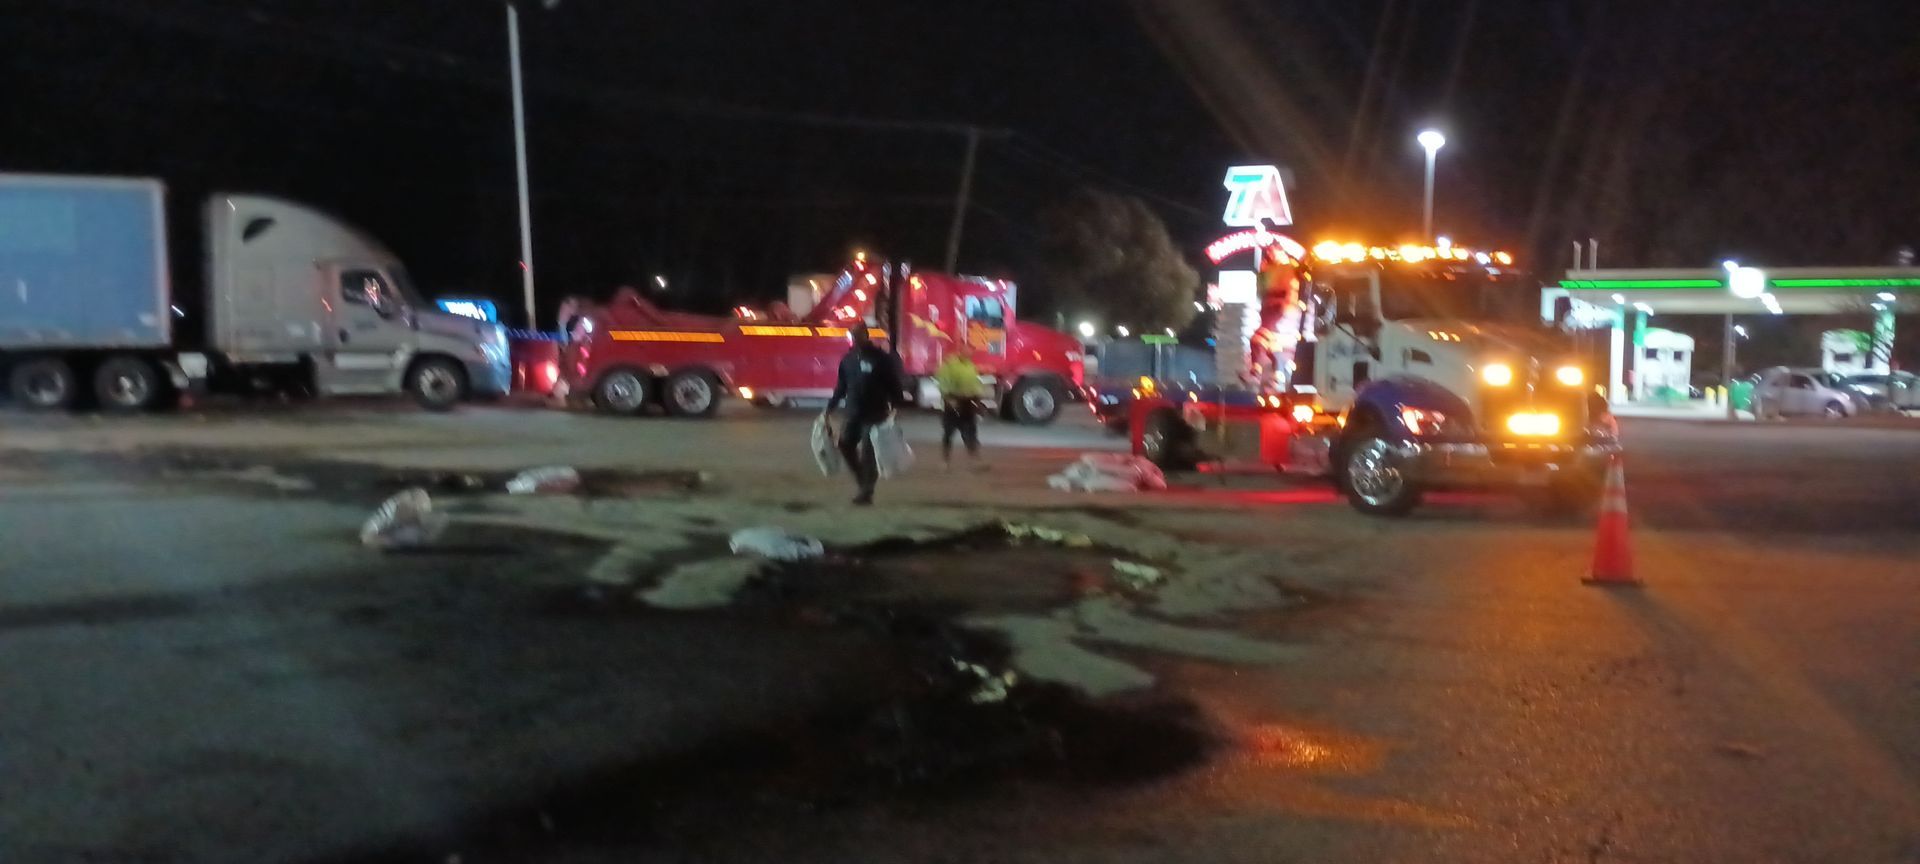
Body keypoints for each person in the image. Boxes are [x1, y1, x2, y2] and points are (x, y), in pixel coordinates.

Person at [823, 326, 905, 505]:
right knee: (845, 445)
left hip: (875, 413)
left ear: (865, 336)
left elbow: (893, 383)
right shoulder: (848, 359)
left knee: (869, 452)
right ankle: (863, 480)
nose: (854, 338)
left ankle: (866, 492)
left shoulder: (881, 359)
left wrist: (897, 405)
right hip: (853, 412)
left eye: (857, 335)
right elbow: (841, 387)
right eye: (853, 335)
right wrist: (830, 407)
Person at [932, 344, 985, 468]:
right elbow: (942, 380)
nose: (969, 354)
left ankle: (974, 460)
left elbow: (974, 383)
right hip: (953, 401)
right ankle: (945, 461)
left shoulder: (970, 366)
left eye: (971, 352)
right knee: (949, 432)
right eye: (967, 351)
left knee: (971, 431)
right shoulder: (951, 364)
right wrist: (947, 397)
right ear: (960, 351)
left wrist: (978, 399)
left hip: (968, 402)